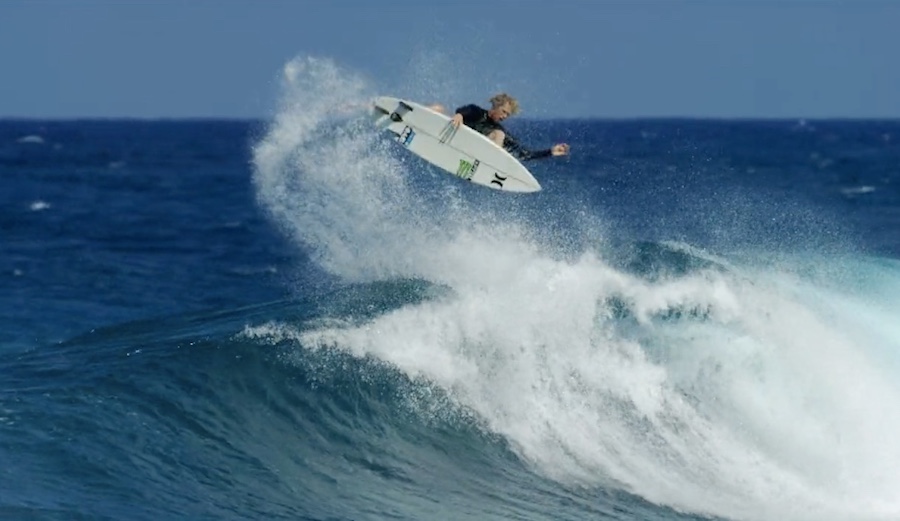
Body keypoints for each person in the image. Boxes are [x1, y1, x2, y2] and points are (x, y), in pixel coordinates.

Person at [433, 93, 570, 161]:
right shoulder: (476, 111)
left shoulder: (499, 131)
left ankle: (490, 159)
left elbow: (523, 153)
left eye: (508, 115)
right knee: (439, 108)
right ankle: (410, 115)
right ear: (496, 106)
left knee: (499, 135)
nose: (505, 116)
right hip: (453, 135)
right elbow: (464, 110)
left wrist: (550, 152)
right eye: (504, 112)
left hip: (473, 151)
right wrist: (459, 116)